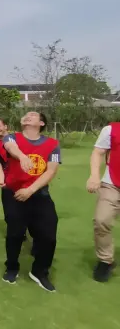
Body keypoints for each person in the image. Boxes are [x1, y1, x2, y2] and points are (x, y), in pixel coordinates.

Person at [2, 111, 60, 292]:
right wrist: (22, 156)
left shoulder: (53, 144)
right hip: (14, 193)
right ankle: (12, 267)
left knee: (48, 236)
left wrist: (30, 190)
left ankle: (40, 271)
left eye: (33, 115)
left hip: (39, 194)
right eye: (26, 115)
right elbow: (10, 146)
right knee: (15, 234)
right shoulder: (12, 137)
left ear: (41, 123)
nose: (28, 116)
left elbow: (51, 171)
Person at [87, 121, 120, 282]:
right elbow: (98, 152)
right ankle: (106, 260)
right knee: (102, 221)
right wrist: (94, 176)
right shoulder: (111, 130)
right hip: (111, 183)